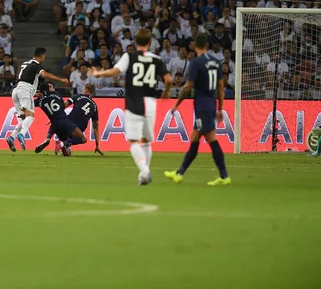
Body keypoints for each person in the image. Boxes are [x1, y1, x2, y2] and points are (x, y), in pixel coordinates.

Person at [90, 29, 172, 185]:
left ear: (135, 42)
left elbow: (115, 71)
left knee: (134, 141)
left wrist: (98, 74)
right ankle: (144, 173)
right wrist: (166, 93)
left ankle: (144, 171)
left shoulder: (129, 56)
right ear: (149, 43)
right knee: (146, 141)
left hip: (133, 102)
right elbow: (168, 79)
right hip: (150, 102)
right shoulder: (156, 59)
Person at [164, 33, 231, 186]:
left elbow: (188, 87)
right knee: (196, 138)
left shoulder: (196, 63)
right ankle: (180, 173)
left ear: (194, 46)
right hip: (211, 103)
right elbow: (221, 87)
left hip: (201, 105)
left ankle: (224, 175)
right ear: (207, 46)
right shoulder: (215, 62)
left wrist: (176, 103)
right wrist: (220, 108)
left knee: (208, 138)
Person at [6, 46, 69, 152]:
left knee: (24, 118)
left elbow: (24, 79)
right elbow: (44, 74)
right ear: (42, 56)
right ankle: (22, 135)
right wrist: (61, 79)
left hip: (16, 91)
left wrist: (34, 92)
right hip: (25, 90)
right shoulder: (36, 64)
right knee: (30, 117)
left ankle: (11, 137)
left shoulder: (25, 64)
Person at [35, 83, 103, 156]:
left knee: (57, 123)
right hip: (81, 127)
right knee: (82, 139)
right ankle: (64, 145)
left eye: (83, 89)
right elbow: (95, 126)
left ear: (85, 91)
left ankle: (49, 139)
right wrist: (97, 145)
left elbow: (65, 105)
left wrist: (56, 114)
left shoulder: (78, 96)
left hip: (69, 121)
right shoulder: (94, 106)